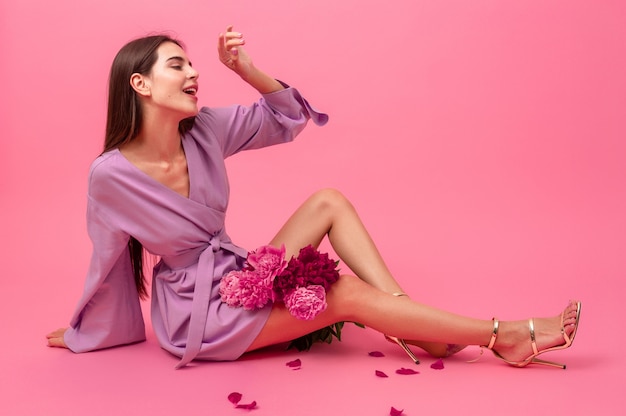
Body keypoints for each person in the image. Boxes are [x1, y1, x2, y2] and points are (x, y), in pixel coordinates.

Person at [46, 26, 581, 369]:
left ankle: (411, 320)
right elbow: (110, 257)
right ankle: (502, 335)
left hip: (237, 273)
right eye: (177, 65)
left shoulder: (206, 129)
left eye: (192, 64)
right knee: (341, 295)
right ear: (139, 85)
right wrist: (86, 330)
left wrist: (246, 70)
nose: (194, 73)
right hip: (198, 313)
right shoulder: (110, 176)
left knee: (329, 199)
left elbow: (287, 117)